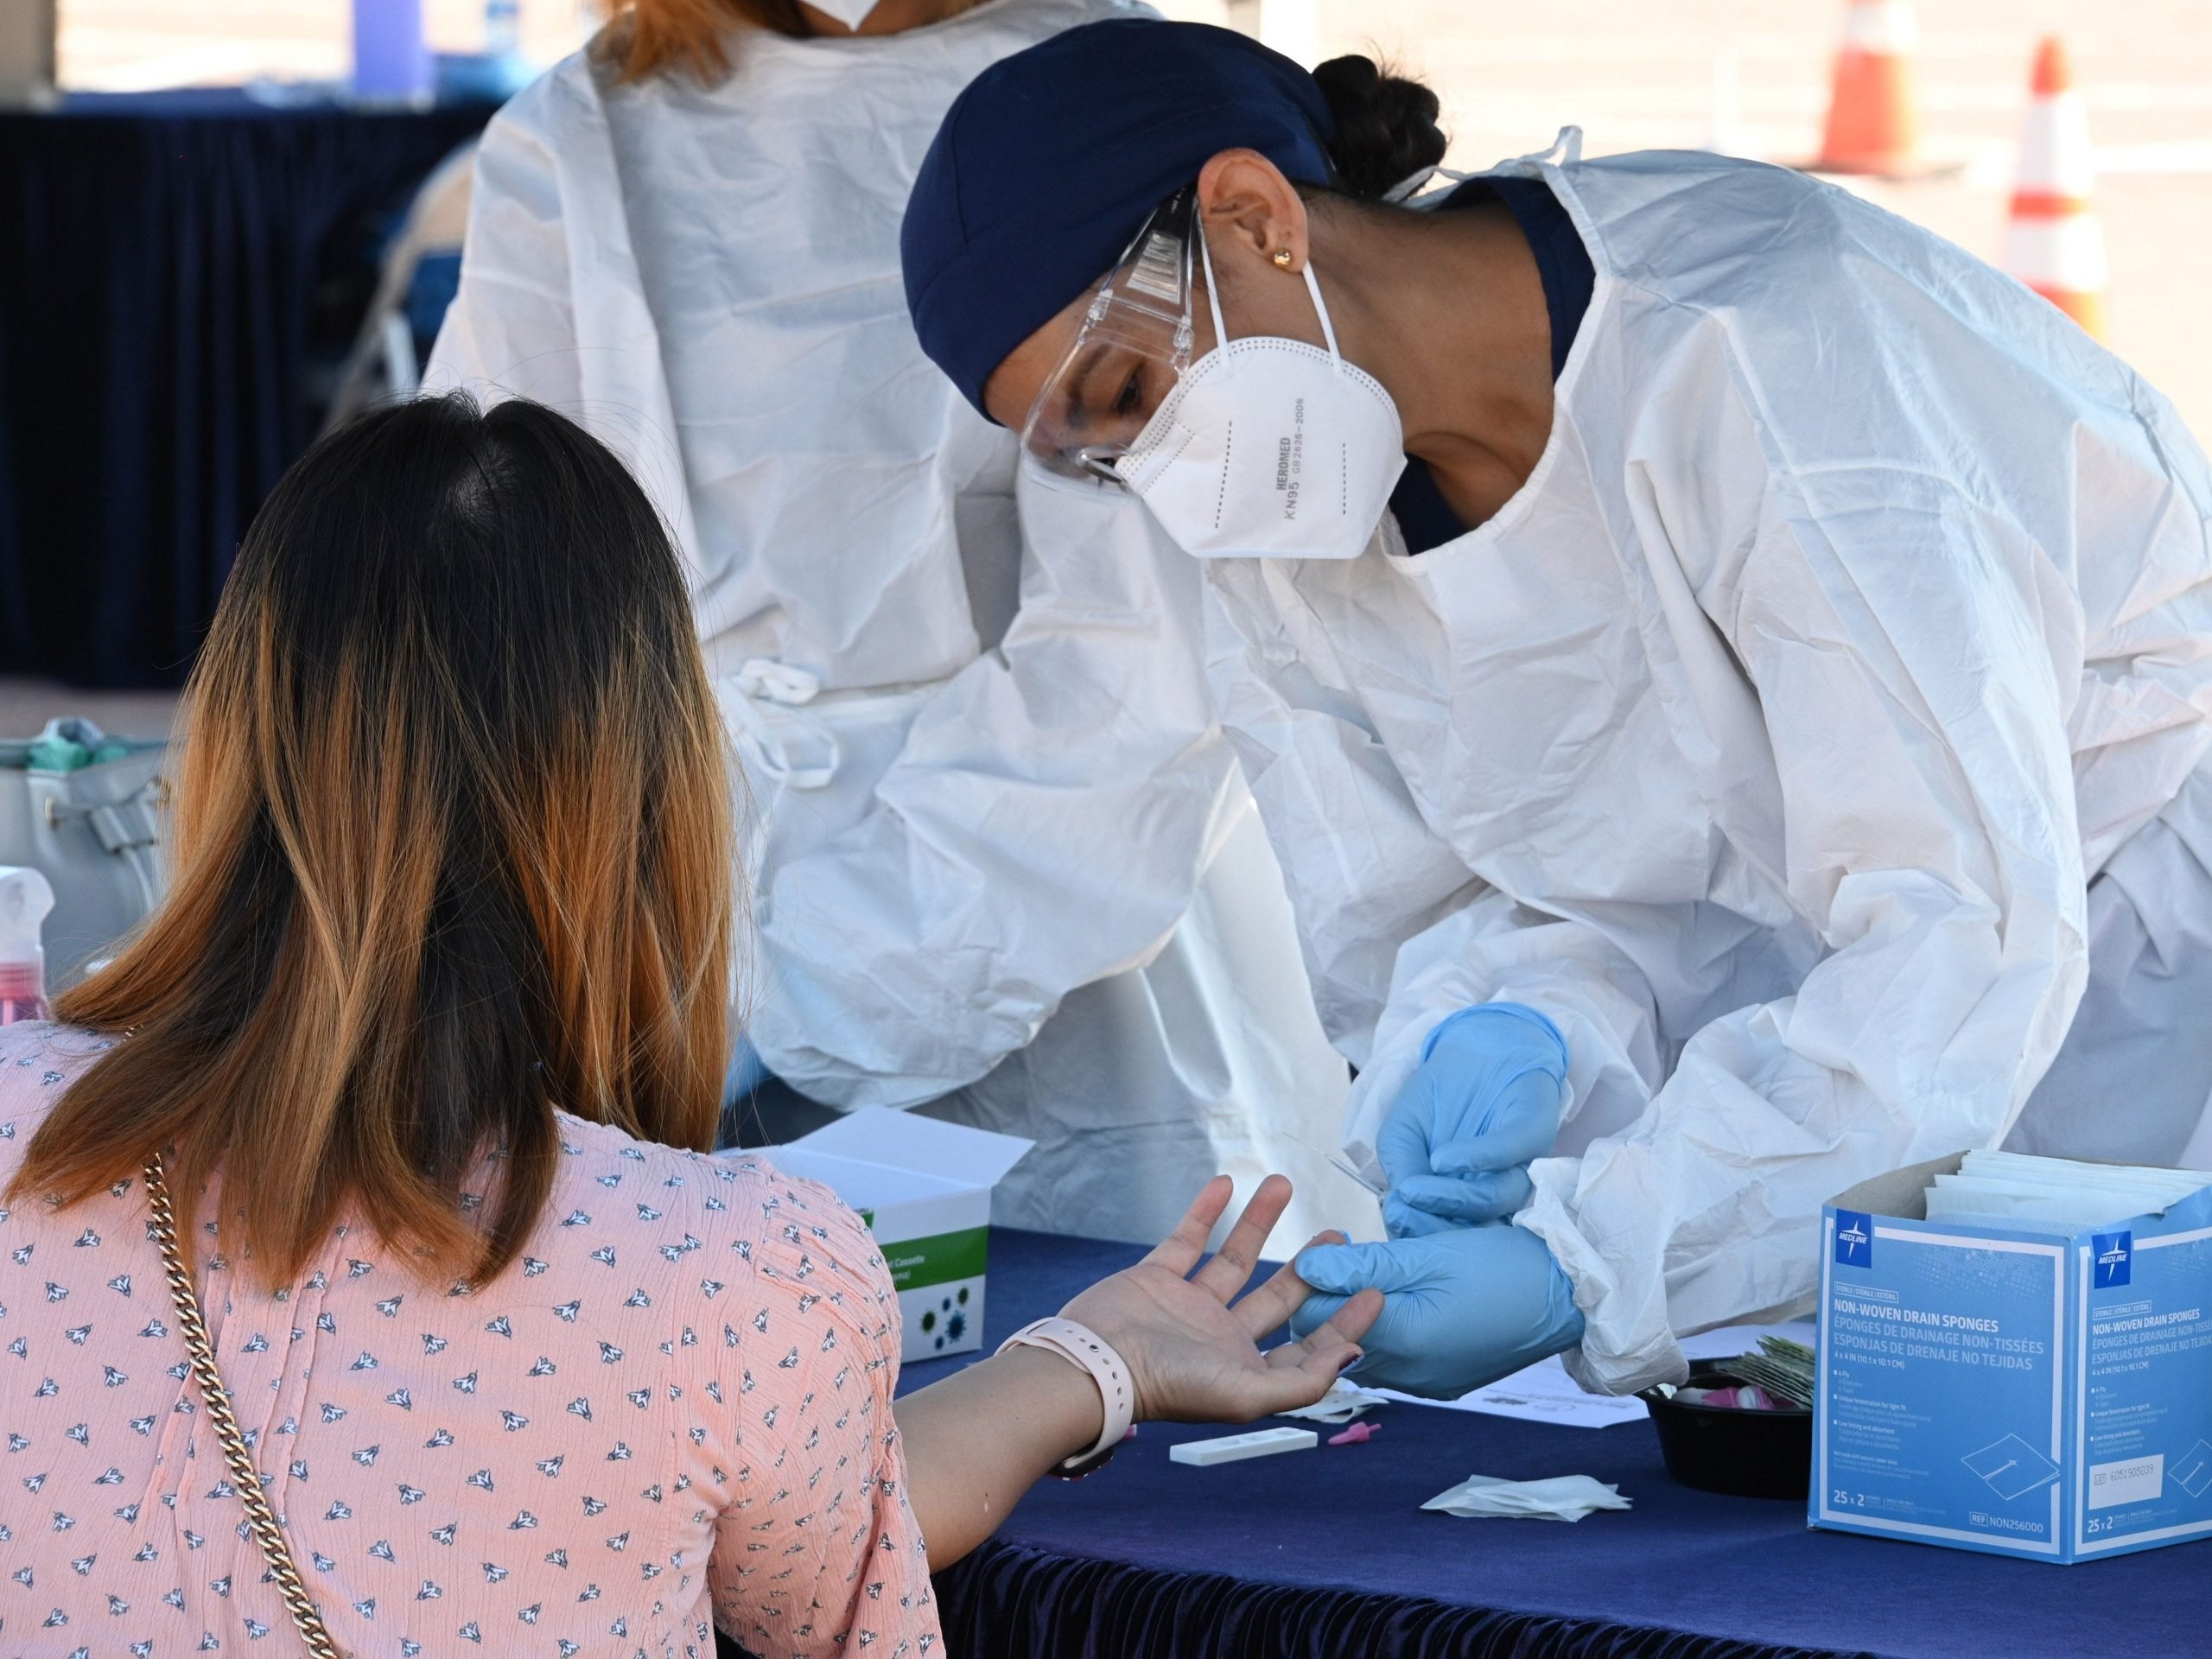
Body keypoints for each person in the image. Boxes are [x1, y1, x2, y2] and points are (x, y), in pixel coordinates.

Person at [898, 18, 2212, 1399]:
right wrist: (1508, 1025)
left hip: (2125, 1003)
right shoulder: (1296, 519)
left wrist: (1595, 1262)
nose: (1157, 471)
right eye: (1097, 456)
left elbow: (1957, 929)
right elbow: (1448, 905)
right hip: (1822, 1101)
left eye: (1130, 390)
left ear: (1253, 214)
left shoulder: (1769, 350)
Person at [0, 394, 1377, 1655]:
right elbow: (831, 1581)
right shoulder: (730, 1272)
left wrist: (1098, 1357)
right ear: (647, 791)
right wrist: (1102, 1363)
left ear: (234, 734)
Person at [425, 0, 1371, 1249]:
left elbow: (1135, 662)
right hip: (664, 905)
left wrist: (819, 992)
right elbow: (495, 569)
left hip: (1066, 914)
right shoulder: (584, 130)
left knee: (1070, 1348)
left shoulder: (1090, 89)